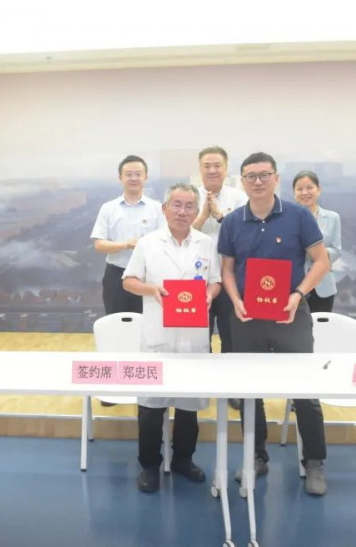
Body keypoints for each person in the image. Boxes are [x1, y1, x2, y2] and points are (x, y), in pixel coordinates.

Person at [218, 152, 331, 496]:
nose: (257, 181)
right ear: (242, 181)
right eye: (250, 176)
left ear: (276, 178)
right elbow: (227, 269)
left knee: (305, 391)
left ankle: (313, 461)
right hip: (247, 318)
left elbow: (321, 261)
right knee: (250, 391)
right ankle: (256, 456)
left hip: (291, 314)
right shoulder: (232, 221)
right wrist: (235, 300)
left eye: (264, 175)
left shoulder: (299, 216)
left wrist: (298, 294)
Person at [122, 182, 222, 493]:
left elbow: (216, 281)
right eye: (176, 205)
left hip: (193, 335)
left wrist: (209, 295)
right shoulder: (148, 243)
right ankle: (149, 465)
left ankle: (183, 460)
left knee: (188, 406)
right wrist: (151, 289)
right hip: (159, 335)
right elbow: (128, 281)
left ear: (197, 210)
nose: (182, 211)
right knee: (151, 406)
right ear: (165, 209)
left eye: (189, 206)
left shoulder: (206, 243)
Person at [91, 155, 164, 315]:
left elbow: (164, 242)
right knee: (116, 321)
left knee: (147, 322)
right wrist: (126, 245)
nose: (134, 178)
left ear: (146, 177)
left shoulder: (157, 208)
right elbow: (99, 245)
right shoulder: (108, 208)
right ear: (120, 178)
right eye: (129, 174)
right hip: (116, 275)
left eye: (138, 174)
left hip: (147, 277)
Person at [192, 146, 248, 351]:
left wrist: (219, 216)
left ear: (226, 168)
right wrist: (202, 217)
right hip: (195, 278)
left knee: (231, 337)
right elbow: (179, 235)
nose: (212, 170)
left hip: (229, 279)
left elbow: (245, 236)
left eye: (217, 165)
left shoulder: (240, 198)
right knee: (198, 340)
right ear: (200, 169)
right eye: (207, 166)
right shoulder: (189, 197)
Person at [292, 171, 341, 313]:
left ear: (318, 189)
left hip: (323, 285)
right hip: (294, 285)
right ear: (294, 193)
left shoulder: (332, 217)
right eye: (299, 189)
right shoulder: (287, 218)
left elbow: (336, 250)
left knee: (321, 325)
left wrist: (317, 252)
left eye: (309, 187)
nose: (305, 193)